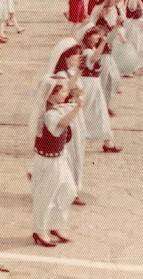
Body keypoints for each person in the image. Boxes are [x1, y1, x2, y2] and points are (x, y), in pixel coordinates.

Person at [29, 75, 79, 247]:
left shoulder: (56, 107)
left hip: (59, 158)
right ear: (52, 94)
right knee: (45, 196)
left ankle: (55, 224)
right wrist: (77, 108)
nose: (66, 93)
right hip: (48, 160)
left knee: (69, 190)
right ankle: (40, 230)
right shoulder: (49, 113)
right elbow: (62, 123)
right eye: (63, 91)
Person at [46, 38, 88, 206]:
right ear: (65, 58)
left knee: (76, 152)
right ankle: (69, 190)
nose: (78, 58)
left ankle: (70, 187)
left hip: (76, 114)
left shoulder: (71, 73)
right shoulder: (61, 75)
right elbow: (66, 90)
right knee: (70, 153)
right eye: (75, 55)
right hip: (67, 114)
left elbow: (77, 91)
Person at [77, 25, 122, 153]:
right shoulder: (87, 51)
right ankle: (76, 135)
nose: (98, 37)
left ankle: (108, 142)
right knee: (85, 111)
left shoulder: (91, 49)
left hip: (94, 83)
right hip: (88, 84)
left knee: (100, 111)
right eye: (95, 34)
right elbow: (95, 58)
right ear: (88, 37)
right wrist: (103, 42)